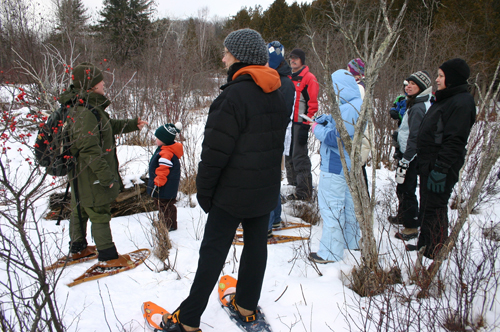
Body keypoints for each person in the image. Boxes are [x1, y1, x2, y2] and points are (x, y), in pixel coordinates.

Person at [159, 29, 289, 332]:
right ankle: (246, 304)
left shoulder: (231, 97)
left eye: (226, 52)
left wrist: (205, 194)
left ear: (240, 57)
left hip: (231, 195)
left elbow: (214, 155)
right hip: (264, 191)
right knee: (257, 245)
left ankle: (188, 320)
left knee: (213, 255)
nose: (222, 57)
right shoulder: (277, 92)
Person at [61, 62, 148, 265]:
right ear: (91, 86)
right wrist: (105, 176)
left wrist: (132, 124)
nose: (104, 85)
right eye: (101, 82)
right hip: (90, 172)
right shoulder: (84, 112)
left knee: (80, 207)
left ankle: (78, 248)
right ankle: (108, 256)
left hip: (81, 172)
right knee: (99, 211)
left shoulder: (87, 107)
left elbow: (107, 127)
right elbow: (89, 149)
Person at [409, 58, 476, 259]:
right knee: (427, 205)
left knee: (436, 207)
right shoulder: (446, 98)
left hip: (440, 167)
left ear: (452, 78)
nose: (436, 80)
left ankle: (434, 250)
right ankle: (424, 244)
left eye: (440, 76)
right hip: (429, 163)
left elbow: (455, 140)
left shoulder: (462, 102)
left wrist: (441, 169)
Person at [308, 69, 361, 264]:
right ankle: (351, 241)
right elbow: (343, 128)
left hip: (335, 165)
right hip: (348, 166)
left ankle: (330, 252)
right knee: (349, 207)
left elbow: (335, 138)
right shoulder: (355, 104)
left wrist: (316, 128)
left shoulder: (348, 108)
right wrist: (329, 120)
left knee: (331, 207)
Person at [387, 71, 433, 242]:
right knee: (403, 188)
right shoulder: (414, 103)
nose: (408, 86)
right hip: (408, 153)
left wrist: (406, 159)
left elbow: (415, 136)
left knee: (407, 189)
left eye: (413, 84)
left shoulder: (419, 107)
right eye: (407, 83)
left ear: (422, 87)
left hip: (411, 156)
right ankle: (403, 216)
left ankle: (411, 226)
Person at [267, 40, 295, 237]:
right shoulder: (277, 78)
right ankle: (274, 218)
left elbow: (281, 114)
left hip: (274, 137)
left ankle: (266, 225)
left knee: (268, 180)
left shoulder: (283, 82)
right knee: (272, 178)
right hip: (274, 136)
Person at [285, 48, 319, 200]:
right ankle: (293, 186)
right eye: (291, 58)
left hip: (300, 124)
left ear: (302, 60)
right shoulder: (288, 77)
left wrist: (306, 125)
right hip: (288, 124)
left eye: (296, 58)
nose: (293, 60)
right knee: (288, 156)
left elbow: (313, 104)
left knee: (300, 158)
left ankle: (304, 193)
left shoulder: (309, 78)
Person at [147, 122, 183, 231]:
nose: (156, 139)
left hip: (164, 186)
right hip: (167, 186)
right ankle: (165, 222)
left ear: (164, 140)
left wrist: (157, 184)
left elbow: (163, 171)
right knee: (164, 205)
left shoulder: (166, 153)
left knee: (165, 205)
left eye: (158, 138)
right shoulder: (165, 150)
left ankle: (169, 225)